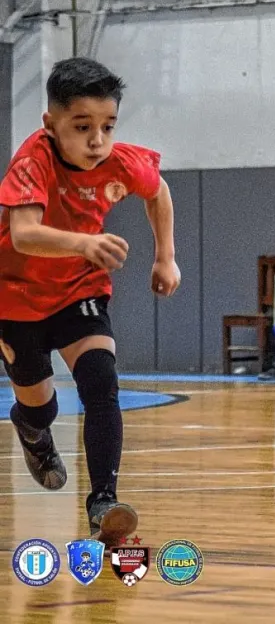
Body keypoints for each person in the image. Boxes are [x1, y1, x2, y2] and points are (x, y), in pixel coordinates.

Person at [0, 57, 180, 545]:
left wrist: (166, 257)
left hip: (79, 288)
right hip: (15, 297)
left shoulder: (119, 161)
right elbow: (24, 234)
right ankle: (31, 428)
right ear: (51, 124)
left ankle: (104, 503)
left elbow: (158, 191)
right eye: (82, 127)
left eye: (108, 126)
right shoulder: (31, 161)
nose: (97, 140)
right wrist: (83, 242)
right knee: (40, 408)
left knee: (101, 383)